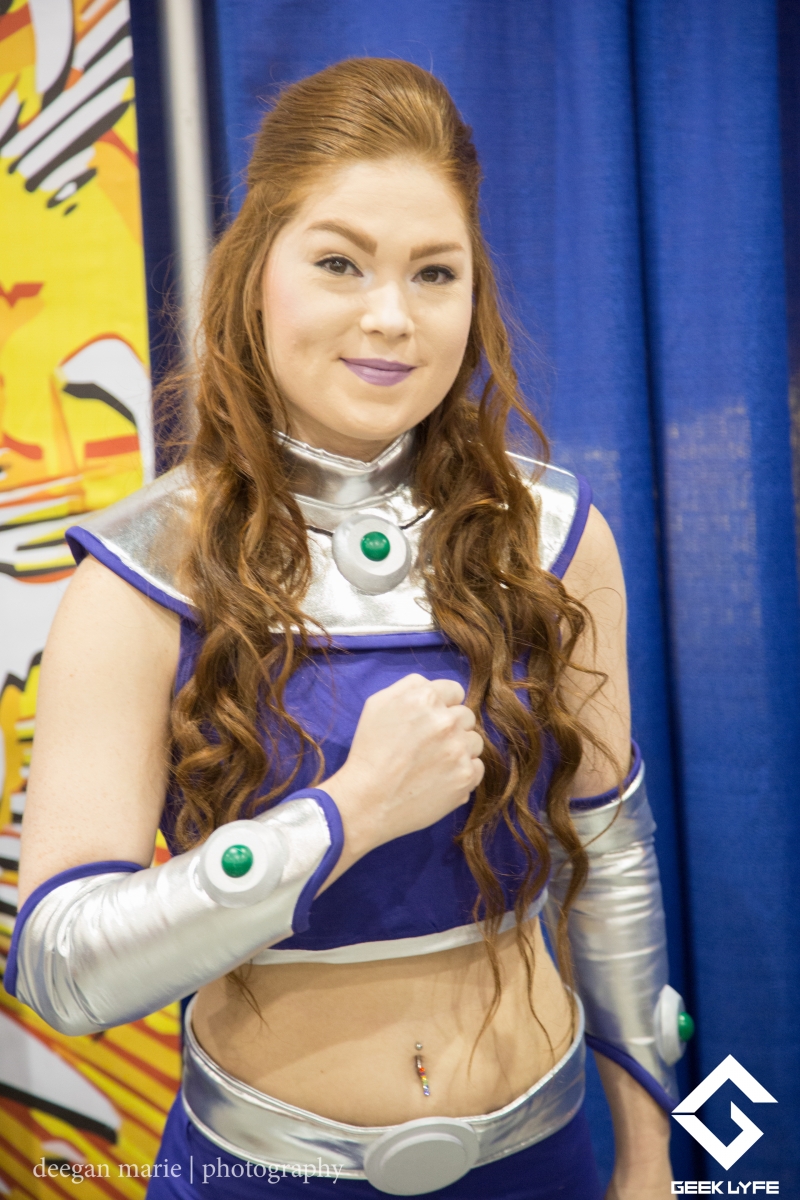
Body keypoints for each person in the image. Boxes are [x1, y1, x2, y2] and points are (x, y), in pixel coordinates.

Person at [7, 59, 689, 1200]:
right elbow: (61, 966)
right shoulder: (143, 574)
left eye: (434, 272)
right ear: (254, 277)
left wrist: (650, 1156)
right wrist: (346, 814)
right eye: (339, 263)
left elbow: (610, 850)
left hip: (547, 1157)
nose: (391, 316)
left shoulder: (556, 537)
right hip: (261, 1173)